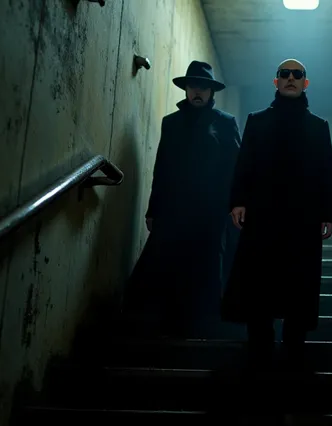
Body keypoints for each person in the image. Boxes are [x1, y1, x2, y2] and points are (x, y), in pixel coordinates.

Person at [220, 59, 332, 370]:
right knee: (259, 280)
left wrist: (329, 213)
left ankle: (294, 345)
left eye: (297, 74)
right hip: (263, 216)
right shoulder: (257, 121)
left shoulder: (318, 126)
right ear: (276, 82)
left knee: (299, 283)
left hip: (303, 219)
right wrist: (238, 201)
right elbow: (244, 164)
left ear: (305, 83)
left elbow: (326, 171)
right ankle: (261, 345)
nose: (290, 78)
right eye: (284, 74)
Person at [126, 61, 241, 338]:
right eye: (193, 86)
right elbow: (162, 167)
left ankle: (204, 326)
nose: (197, 91)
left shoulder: (225, 123)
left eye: (203, 87)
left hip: (212, 210)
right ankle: (168, 324)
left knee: (207, 265)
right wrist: (153, 208)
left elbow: (237, 167)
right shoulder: (171, 122)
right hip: (175, 208)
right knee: (168, 263)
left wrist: (235, 205)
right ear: (187, 89)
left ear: (211, 92)